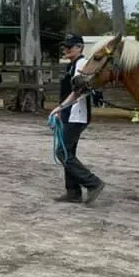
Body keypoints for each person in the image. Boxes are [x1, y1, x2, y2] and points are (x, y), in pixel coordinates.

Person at [48, 33, 104, 205]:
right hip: (70, 113)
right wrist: (61, 110)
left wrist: (60, 107)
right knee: (68, 152)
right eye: (65, 46)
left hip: (76, 114)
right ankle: (73, 192)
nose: (65, 49)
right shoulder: (72, 65)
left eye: (69, 46)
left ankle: (93, 183)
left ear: (79, 47)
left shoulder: (81, 64)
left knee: (62, 152)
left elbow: (78, 91)